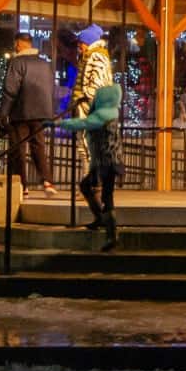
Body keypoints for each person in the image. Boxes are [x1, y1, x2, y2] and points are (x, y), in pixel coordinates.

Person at [57, 82, 122, 248]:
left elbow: (80, 124)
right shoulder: (112, 113)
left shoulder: (101, 116)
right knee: (92, 187)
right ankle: (102, 221)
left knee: (105, 196)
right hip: (110, 161)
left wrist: (56, 124)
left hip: (104, 162)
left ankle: (111, 234)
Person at [0, 34, 58, 199]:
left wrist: (4, 113)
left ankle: (22, 186)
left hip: (21, 112)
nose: (15, 48)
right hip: (41, 112)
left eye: (16, 45)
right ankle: (47, 181)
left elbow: (10, 90)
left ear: (19, 44)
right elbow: (51, 88)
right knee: (38, 147)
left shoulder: (17, 63)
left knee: (18, 149)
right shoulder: (45, 64)